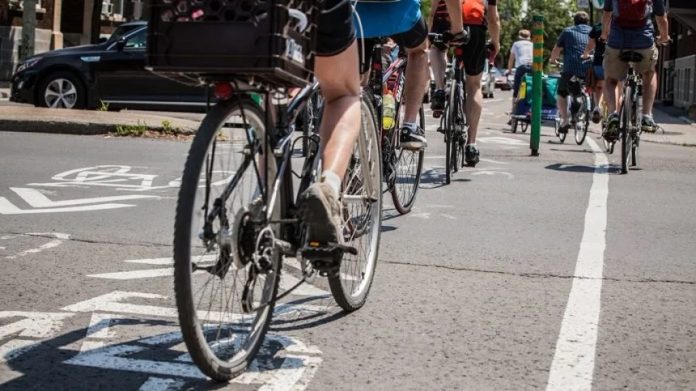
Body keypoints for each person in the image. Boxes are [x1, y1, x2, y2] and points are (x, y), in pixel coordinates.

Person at [300, 1, 464, 260]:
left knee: (353, 82)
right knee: (419, 51)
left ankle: (343, 163)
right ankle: (410, 124)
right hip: (397, 13)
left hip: (353, 11)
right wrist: (457, 28)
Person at [429, 0, 501, 167]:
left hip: (445, 20)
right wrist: (495, 42)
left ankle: (439, 90)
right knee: (474, 86)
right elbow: (493, 18)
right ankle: (471, 145)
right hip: (474, 25)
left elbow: (432, 12)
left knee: (437, 49)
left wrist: (429, 37)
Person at [600, 0, 669, 137]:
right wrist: (664, 37)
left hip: (617, 43)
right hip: (644, 42)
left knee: (610, 80)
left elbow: (607, 14)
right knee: (649, 73)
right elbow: (661, 18)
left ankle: (613, 115)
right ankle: (646, 116)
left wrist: (604, 34)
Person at [549, 11, 592, 134]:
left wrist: (553, 60)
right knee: (581, 88)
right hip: (589, 68)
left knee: (562, 92)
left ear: (574, 21)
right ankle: (581, 104)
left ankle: (565, 120)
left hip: (571, 68)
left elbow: (556, 50)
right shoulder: (593, 31)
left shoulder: (567, 32)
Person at [582, 23, 607, 124]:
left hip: (599, 61)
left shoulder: (597, 27)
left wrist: (585, 55)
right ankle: (615, 113)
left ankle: (597, 107)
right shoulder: (621, 24)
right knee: (615, 86)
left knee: (599, 86)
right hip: (615, 61)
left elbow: (590, 45)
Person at [507, 29, 533, 117]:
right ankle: (531, 109)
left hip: (521, 67)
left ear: (519, 36)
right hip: (533, 67)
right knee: (531, 87)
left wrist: (509, 70)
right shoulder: (533, 45)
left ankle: (514, 111)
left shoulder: (516, 44)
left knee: (517, 90)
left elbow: (511, 58)